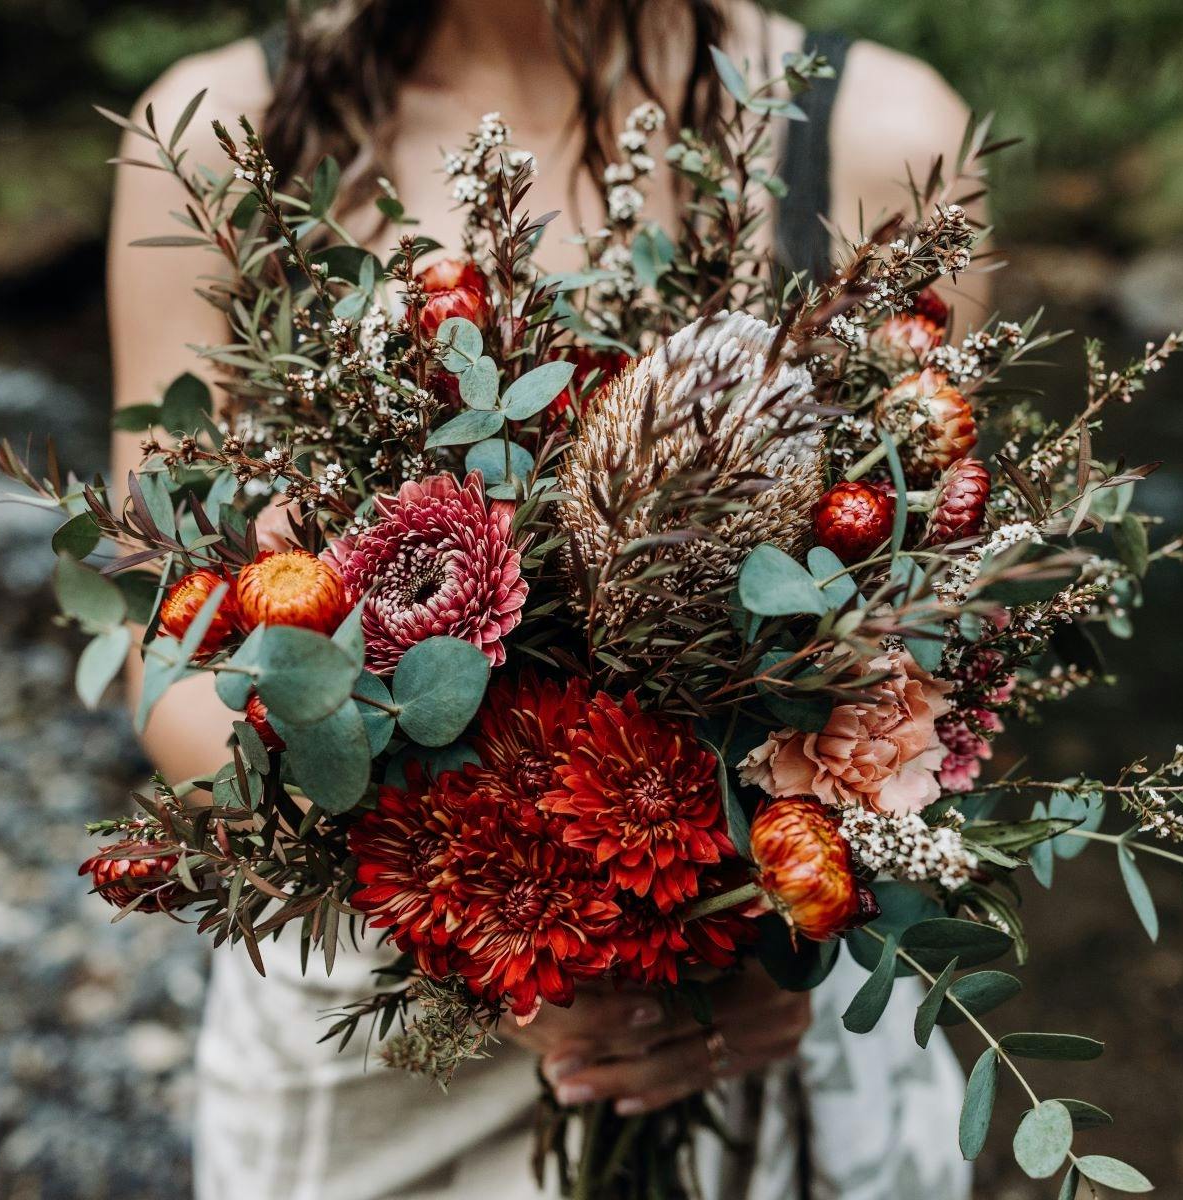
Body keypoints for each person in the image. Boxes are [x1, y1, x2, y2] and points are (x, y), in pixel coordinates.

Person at [108, 3, 986, 1196]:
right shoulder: (217, 136)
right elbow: (165, 658)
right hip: (384, 1019)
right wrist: (478, 915)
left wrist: (775, 951)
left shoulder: (881, 133)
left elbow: (951, 642)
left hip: (764, 1013)